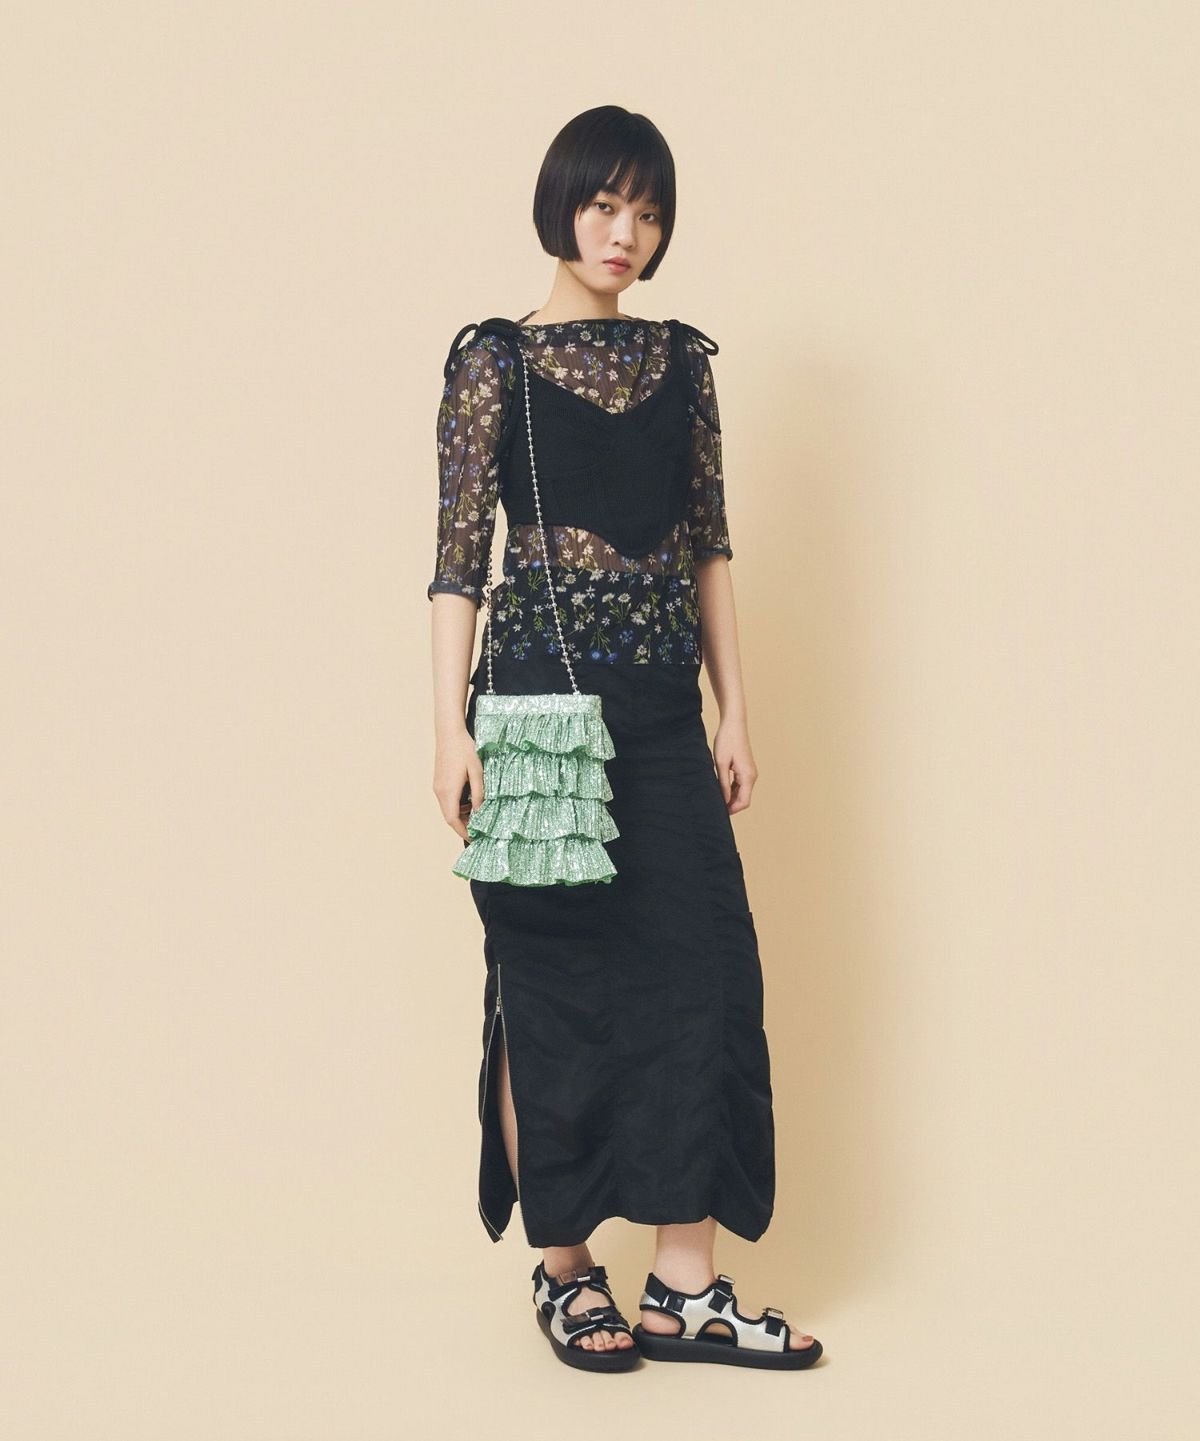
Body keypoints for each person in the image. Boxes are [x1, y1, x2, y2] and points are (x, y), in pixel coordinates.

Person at [429, 105, 822, 1373]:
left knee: (701, 972)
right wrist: (446, 730)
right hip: (535, 717)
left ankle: (684, 1287)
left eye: (647, 212)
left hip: (660, 711)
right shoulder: (492, 364)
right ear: (563, 205)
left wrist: (735, 708)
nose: (624, 232)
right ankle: (565, 1270)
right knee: (549, 985)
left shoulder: (682, 363)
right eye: (605, 204)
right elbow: (457, 566)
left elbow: (710, 548)